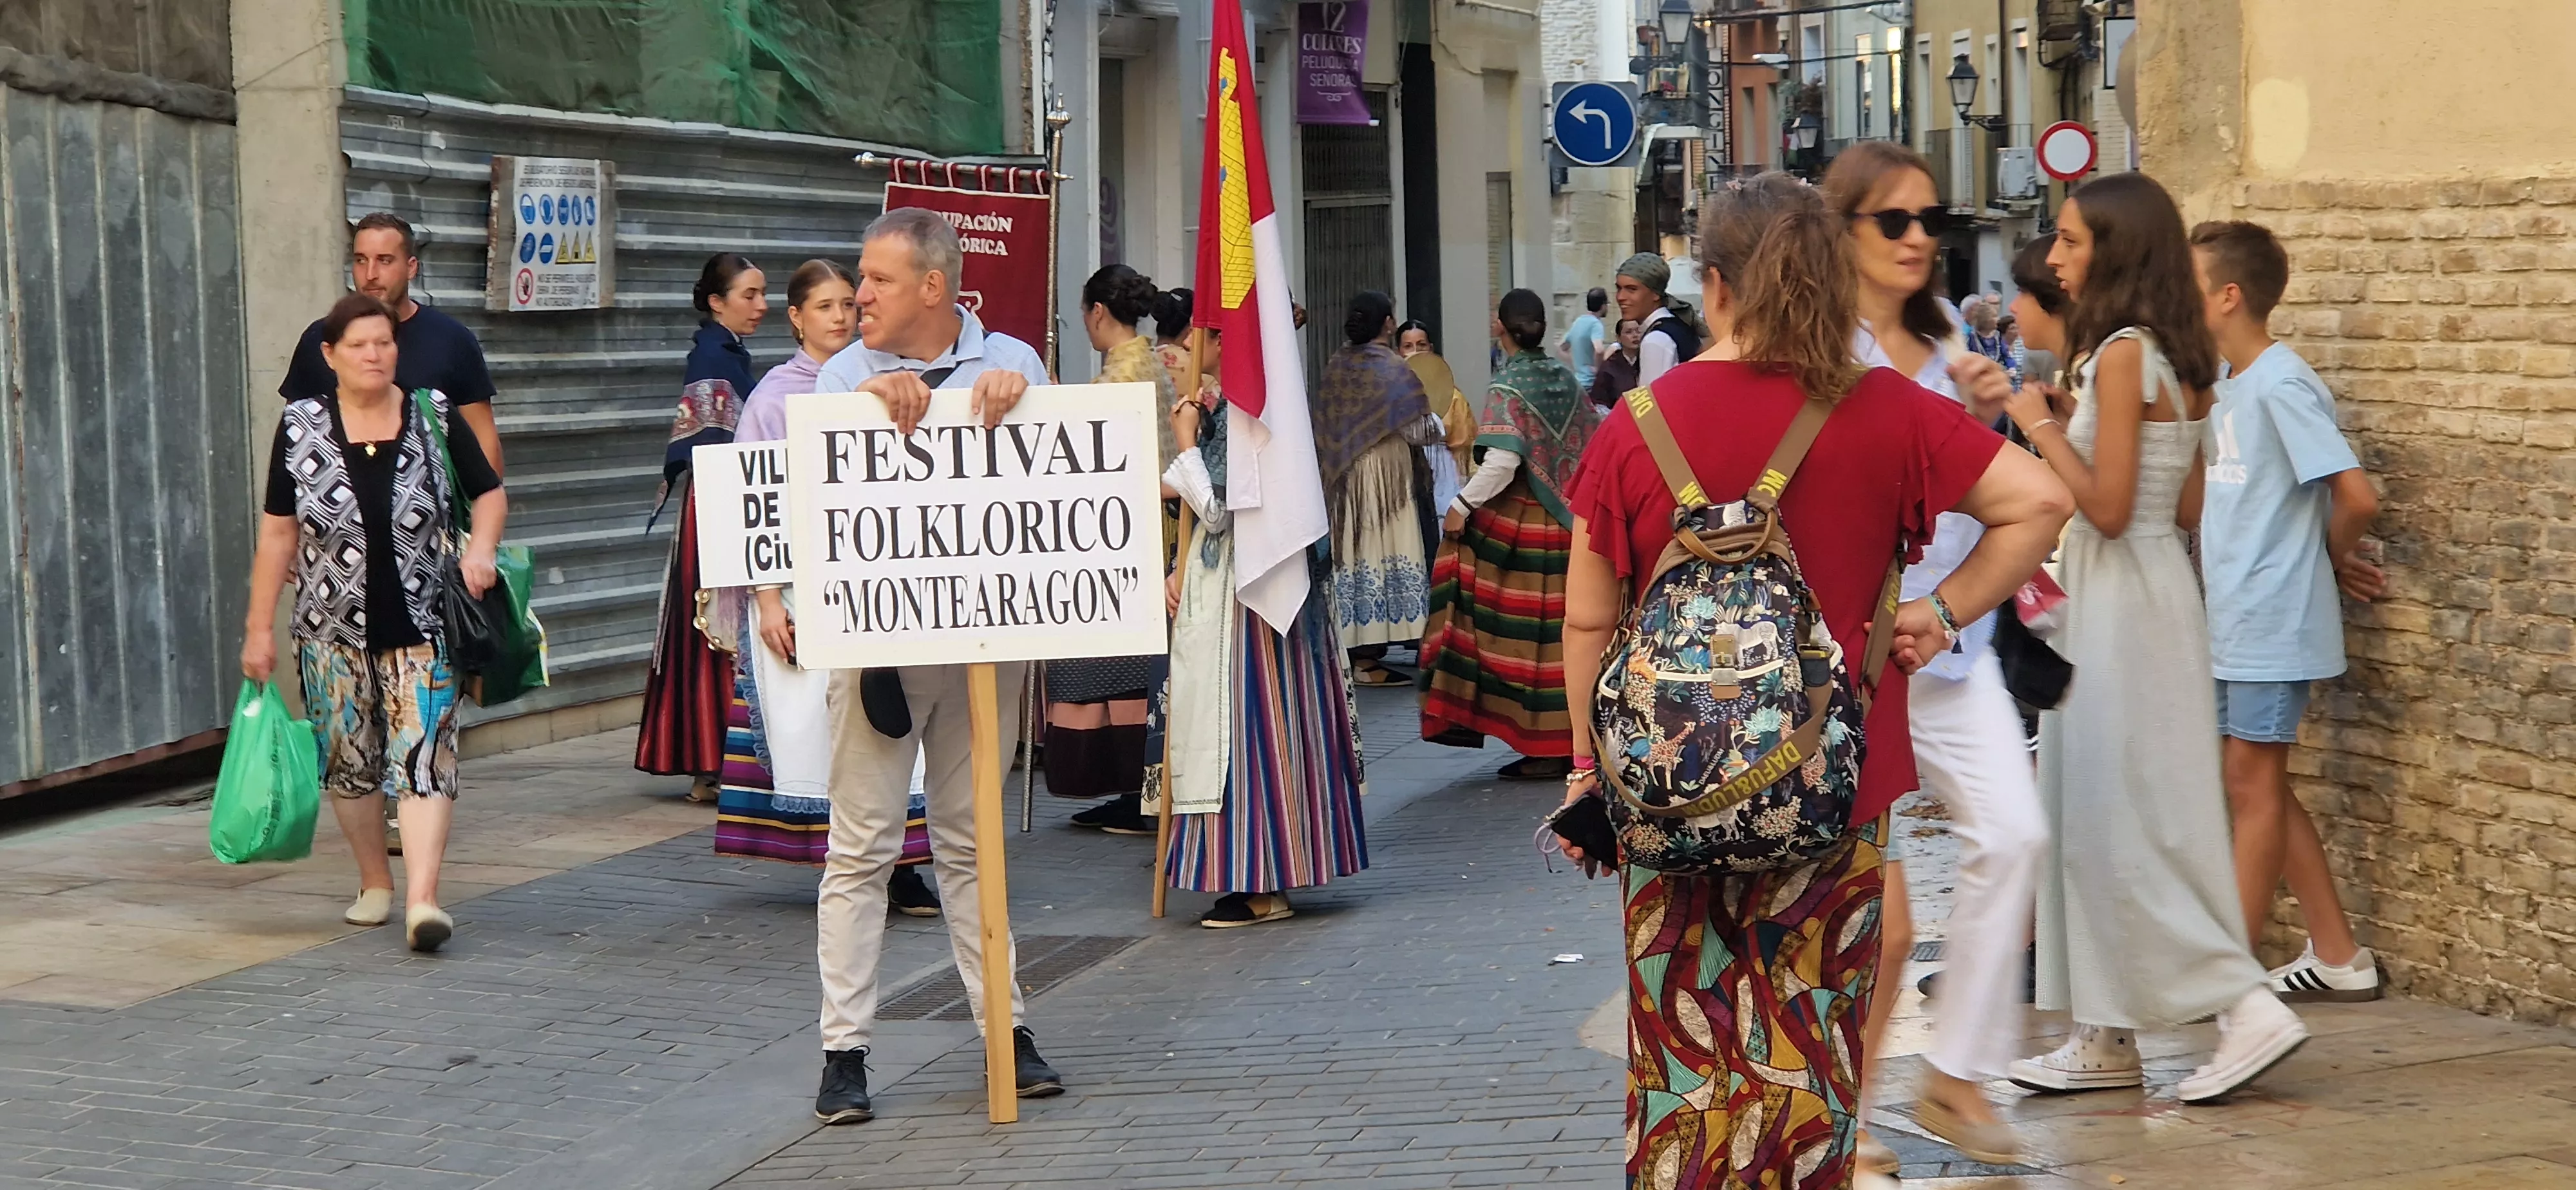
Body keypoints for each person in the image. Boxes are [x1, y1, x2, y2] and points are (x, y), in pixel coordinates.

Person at [1555, 172, 2070, 1188]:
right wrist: (1940, 612)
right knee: (1807, 1051)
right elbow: (2041, 501)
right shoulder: (1885, 409)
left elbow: (1586, 619)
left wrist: (1586, 771)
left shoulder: (1636, 423)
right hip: (1833, 789)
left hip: (1666, 795)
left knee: (1685, 1059)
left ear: (1715, 287)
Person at [2005, 172, 2310, 1104]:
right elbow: (2181, 504)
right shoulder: (2180, 358)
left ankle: (2242, 1007)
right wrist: (2080, 431)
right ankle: (2104, 1036)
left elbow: (2101, 509)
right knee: (2118, 809)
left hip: (2114, 599)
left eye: (2070, 240)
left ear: (2117, 248)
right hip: (2158, 592)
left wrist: (2038, 426)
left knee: (2121, 813)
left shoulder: (2121, 354)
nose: (2057, 258)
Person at [805, 208, 1057, 1124]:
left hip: (984, 651)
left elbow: (1056, 482)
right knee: (862, 847)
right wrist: (866, 412)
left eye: (876, 280)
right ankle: (844, 1053)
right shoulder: (842, 376)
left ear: (933, 288)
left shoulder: (1016, 363)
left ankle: (1006, 1030)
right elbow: (814, 492)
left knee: (970, 840)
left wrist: (1018, 402)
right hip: (882, 652)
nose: (857, 297)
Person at [1822, 140, 2040, 1167]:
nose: (1919, 239)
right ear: (1843, 230)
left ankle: (1956, 1074)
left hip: (1951, 640)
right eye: (1894, 221)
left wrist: (1987, 420)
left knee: (2017, 834)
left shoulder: (1947, 332)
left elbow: (1979, 492)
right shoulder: (1821, 349)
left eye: (1930, 221)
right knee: (1885, 921)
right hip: (1849, 656)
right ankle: (1850, 1127)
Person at [243, 292, 507, 953]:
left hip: (426, 625)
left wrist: (480, 549)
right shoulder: (300, 425)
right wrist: (258, 629)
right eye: (359, 345)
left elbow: (489, 492)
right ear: (329, 355)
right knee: (350, 765)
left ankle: (423, 901)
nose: (374, 355)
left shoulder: (432, 412)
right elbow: (277, 534)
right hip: (328, 631)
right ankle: (374, 881)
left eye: (384, 343)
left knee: (426, 759)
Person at [2190, 220, 2388, 1002]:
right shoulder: (2225, 384)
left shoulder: (2282, 383)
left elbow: (2356, 496)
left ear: (2227, 295)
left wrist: (2331, 557)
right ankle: (2338, 955)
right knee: (2253, 785)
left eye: (2187, 282)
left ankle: (2230, 983)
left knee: (2252, 785)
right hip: (2233, 619)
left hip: (2272, 620)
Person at [718, 259, 940, 918]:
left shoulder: (895, 379)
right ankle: (849, 868)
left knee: (895, 721)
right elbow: (755, 503)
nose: (841, 316)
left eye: (849, 303)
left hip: (881, 584)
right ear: (796, 318)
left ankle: (903, 866)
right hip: (803, 588)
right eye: (824, 306)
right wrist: (767, 600)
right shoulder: (773, 398)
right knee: (824, 728)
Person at [280, 212, 504, 856]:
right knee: (350, 725)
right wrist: (292, 535)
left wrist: (478, 541)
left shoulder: (449, 341)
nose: (371, 272)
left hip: (427, 556)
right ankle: (376, 835)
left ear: (411, 266)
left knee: (421, 709)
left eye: (384, 260)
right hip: (339, 580)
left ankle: (416, 806)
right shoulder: (320, 341)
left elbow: (483, 445)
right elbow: (294, 452)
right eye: (360, 259)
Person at [1153, 336, 1371, 929]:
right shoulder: (1257, 404)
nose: (1193, 341)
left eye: (1206, 330)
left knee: (1246, 730)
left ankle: (1260, 877)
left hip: (1252, 599)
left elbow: (1220, 508)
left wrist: (1184, 442)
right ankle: (1269, 868)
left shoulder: (1253, 409)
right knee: (1264, 727)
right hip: (1258, 592)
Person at [1418, 289, 1599, 781]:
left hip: (1525, 525)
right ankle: (1573, 741)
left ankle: (1540, 743)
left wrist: (1461, 506)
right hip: (1571, 525)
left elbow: (1502, 461)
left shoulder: (1509, 386)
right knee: (1565, 633)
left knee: (1519, 634)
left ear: (1500, 326)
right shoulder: (1563, 376)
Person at [1050, 265, 1178, 836]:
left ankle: (1135, 788)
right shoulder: (1155, 363)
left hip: (1121, 536)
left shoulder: (1115, 382)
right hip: (1156, 529)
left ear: (1097, 312)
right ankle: (1141, 787)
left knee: (1119, 668)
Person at [638, 254, 764, 802]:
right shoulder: (715, 357)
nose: (761, 306)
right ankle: (712, 761)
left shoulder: (726, 352)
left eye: (763, 294)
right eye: (749, 295)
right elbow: (712, 445)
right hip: (718, 503)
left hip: (718, 500)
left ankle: (709, 760)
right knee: (716, 626)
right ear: (717, 302)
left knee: (713, 628)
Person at [1312, 291, 1442, 686]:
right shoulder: (1391, 368)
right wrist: (1438, 424)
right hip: (1385, 480)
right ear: (1388, 323)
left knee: (1355, 559)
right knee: (1385, 553)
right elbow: (1418, 429)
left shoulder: (1338, 365)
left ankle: (1355, 654)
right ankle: (1368, 660)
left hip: (1345, 480)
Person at [1397, 319, 1477, 521]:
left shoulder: (1453, 396)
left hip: (1444, 477)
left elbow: (1463, 447)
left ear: (1431, 348)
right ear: (1398, 352)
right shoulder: (1391, 395)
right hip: (1401, 471)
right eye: (1408, 346)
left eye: (1421, 345)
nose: (1415, 352)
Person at [1611, 253, 1701, 386]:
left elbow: (1651, 398)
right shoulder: (1676, 325)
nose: (1621, 297)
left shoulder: (1656, 340)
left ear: (1655, 294)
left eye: (1632, 289)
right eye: (1619, 288)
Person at [1558, 286, 1609, 393]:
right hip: (1591, 384)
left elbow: (1561, 347)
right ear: (1603, 306)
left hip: (1578, 382)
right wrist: (1597, 369)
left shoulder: (1578, 322)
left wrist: (1575, 365)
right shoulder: (1596, 324)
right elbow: (1599, 350)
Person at [1586, 316, 1643, 410]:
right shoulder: (1609, 368)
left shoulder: (1647, 360)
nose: (1635, 335)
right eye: (1629, 332)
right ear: (1618, 338)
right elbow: (1599, 404)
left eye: (1638, 331)